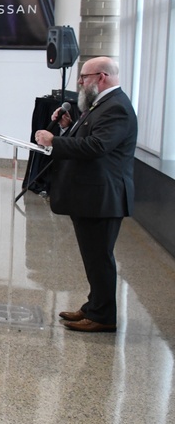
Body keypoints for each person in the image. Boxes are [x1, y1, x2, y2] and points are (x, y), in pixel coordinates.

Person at [35, 56, 138, 333]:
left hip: (104, 196)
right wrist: (69, 127)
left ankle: (103, 316)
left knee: (99, 257)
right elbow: (87, 139)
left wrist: (55, 140)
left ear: (101, 77)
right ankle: (95, 306)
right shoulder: (102, 104)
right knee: (93, 256)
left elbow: (96, 147)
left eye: (84, 77)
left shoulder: (116, 107)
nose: (80, 82)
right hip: (92, 195)